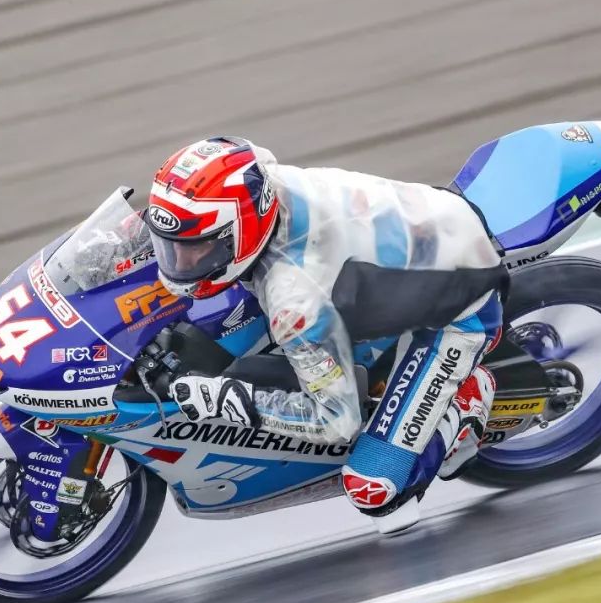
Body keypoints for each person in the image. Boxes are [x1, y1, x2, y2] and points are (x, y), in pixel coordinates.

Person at [143, 136, 507, 534]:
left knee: (374, 490)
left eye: (198, 247)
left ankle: (467, 400)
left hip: (460, 305)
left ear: (240, 233)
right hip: (415, 237)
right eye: (169, 246)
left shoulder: (294, 298)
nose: (179, 260)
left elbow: (338, 423)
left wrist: (229, 400)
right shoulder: (257, 177)